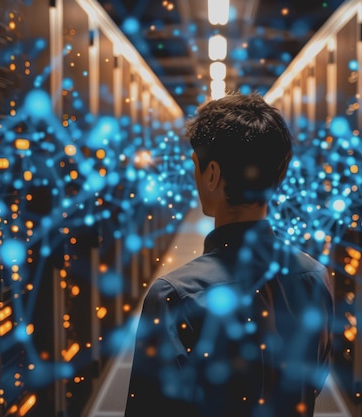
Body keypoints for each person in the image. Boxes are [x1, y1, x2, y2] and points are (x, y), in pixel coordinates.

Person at [124, 92, 334, 417]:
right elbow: (314, 383)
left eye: (196, 166)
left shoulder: (174, 296)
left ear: (212, 174)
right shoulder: (315, 277)